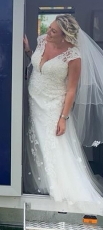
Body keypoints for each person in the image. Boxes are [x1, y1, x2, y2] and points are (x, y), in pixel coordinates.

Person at [23, 14, 103, 215]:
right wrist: (28, 51)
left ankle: (63, 189)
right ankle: (44, 184)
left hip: (53, 106)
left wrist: (63, 118)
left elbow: (71, 90)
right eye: (49, 28)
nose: (47, 32)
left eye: (53, 31)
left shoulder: (73, 56)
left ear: (65, 36)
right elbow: (38, 65)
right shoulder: (42, 40)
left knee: (54, 145)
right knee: (37, 142)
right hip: (35, 102)